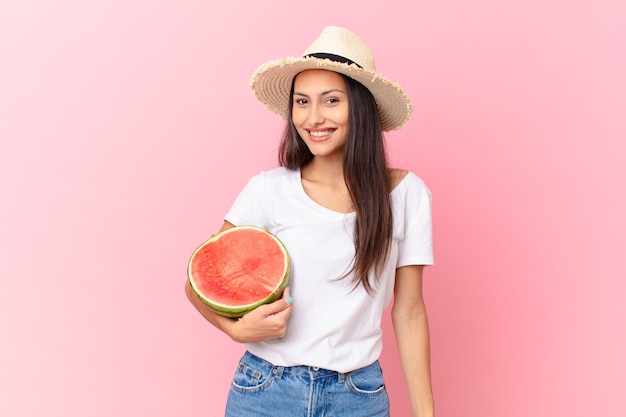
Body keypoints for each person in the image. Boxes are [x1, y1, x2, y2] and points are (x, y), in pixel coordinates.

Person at [185, 26, 434, 417]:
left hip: (359, 394)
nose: (313, 117)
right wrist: (235, 329)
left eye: (331, 101)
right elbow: (200, 281)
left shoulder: (407, 194)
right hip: (265, 389)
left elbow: (409, 312)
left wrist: (426, 414)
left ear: (361, 107)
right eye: (302, 102)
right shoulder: (267, 190)